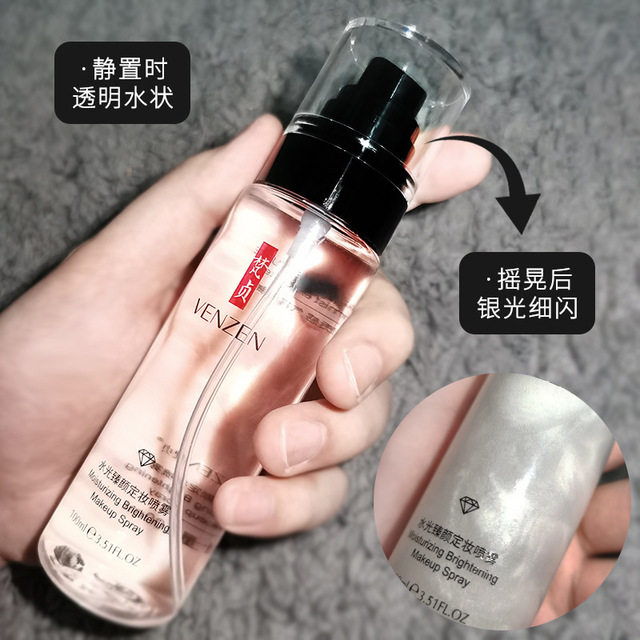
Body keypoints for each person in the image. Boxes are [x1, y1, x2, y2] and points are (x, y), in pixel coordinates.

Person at [0, 116, 490, 565]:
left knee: (316, 383)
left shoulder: (351, 257)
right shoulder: (262, 205)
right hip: (72, 491)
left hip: (81, 519)